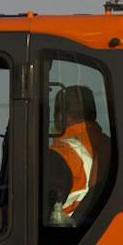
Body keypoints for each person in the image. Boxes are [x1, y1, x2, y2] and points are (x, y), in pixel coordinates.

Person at [45, 85, 108, 225]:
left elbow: (36, 211)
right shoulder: (110, 146)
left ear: (61, 116)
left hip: (67, 239)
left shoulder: (62, 153)